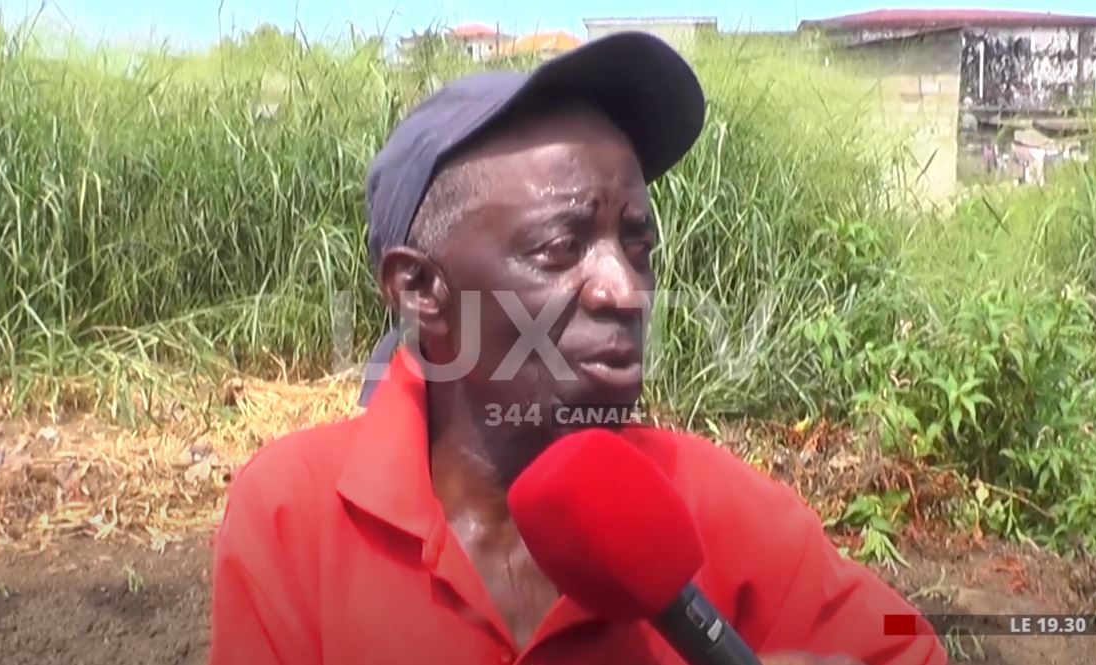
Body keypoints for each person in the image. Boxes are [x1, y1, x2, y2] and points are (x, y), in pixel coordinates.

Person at [208, 31, 946, 665]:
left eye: (637, 245)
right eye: (562, 247)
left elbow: (903, 639)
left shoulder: (718, 507)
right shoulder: (294, 517)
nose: (624, 289)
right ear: (420, 289)